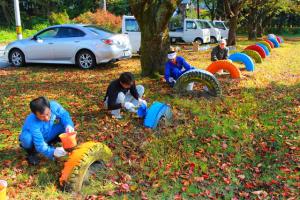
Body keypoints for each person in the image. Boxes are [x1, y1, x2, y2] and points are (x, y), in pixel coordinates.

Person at [19, 97, 75, 165]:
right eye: (42, 116)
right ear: (35, 114)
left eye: (48, 114)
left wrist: (68, 125)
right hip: (34, 139)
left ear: (49, 107)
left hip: (47, 133)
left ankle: (50, 141)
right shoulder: (32, 122)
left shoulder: (53, 106)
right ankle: (31, 152)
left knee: (64, 125)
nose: (47, 118)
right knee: (26, 138)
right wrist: (52, 152)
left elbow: (64, 114)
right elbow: (39, 144)